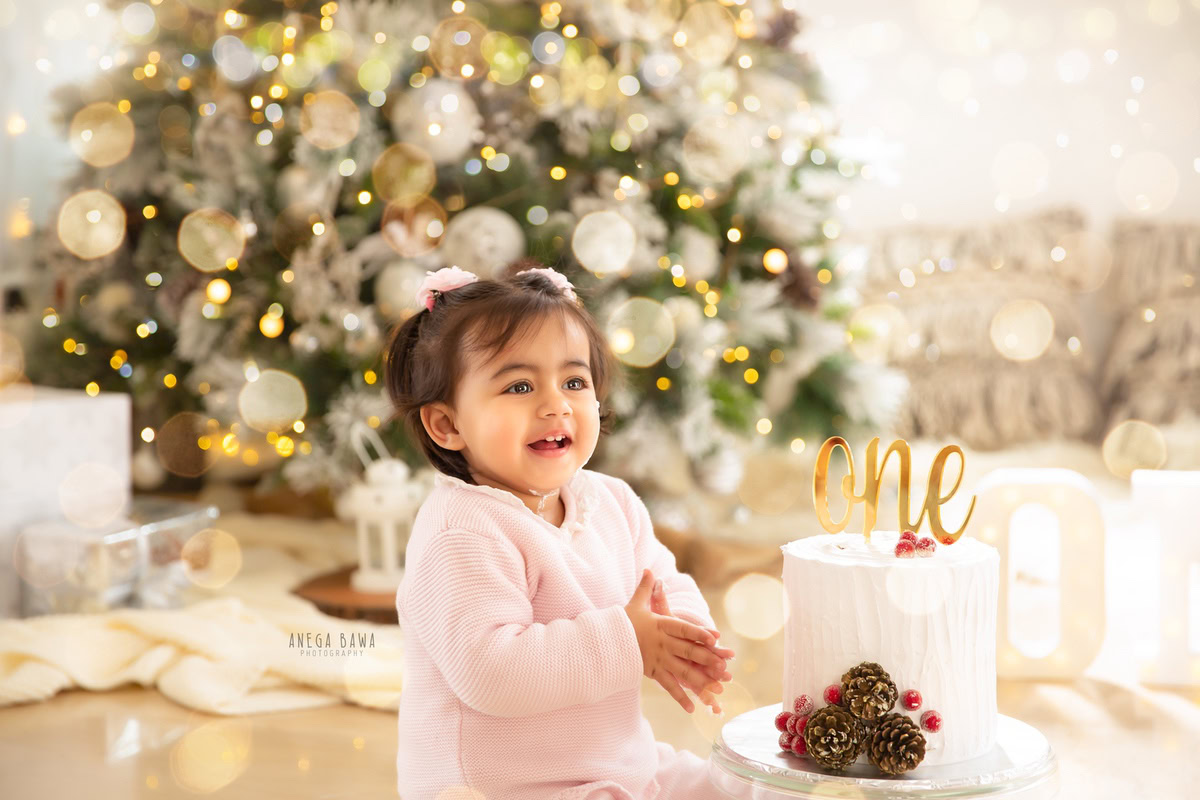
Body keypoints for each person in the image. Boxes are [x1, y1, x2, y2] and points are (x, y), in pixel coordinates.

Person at [385, 260, 738, 800]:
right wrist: (630, 641)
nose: (556, 405)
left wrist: (683, 635)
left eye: (574, 381)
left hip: (616, 766)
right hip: (504, 788)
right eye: (520, 386)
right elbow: (493, 672)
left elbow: (661, 584)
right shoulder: (461, 532)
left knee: (736, 784)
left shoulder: (610, 501)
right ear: (448, 425)